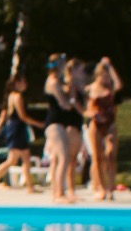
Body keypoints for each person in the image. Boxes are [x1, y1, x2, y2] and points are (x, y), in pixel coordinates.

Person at [0, 75, 46, 194]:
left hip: (14, 129)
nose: (25, 83)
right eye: (23, 81)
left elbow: (3, 117)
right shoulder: (17, 96)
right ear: (17, 83)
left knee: (24, 159)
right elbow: (23, 117)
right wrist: (39, 124)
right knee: (13, 160)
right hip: (17, 129)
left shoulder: (9, 97)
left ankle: (29, 187)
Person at [42, 55, 81, 205]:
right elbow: (64, 104)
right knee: (64, 157)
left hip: (58, 124)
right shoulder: (53, 82)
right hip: (54, 124)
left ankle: (57, 191)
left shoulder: (56, 81)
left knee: (57, 159)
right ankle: (59, 193)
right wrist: (70, 97)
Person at [85, 57, 122, 200]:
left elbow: (119, 84)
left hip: (110, 124)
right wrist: (92, 114)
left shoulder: (111, 87)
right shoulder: (91, 89)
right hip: (96, 124)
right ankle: (101, 188)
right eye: (103, 75)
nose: (106, 78)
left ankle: (111, 188)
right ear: (98, 75)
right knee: (97, 157)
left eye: (107, 75)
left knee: (111, 155)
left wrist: (110, 66)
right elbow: (86, 110)